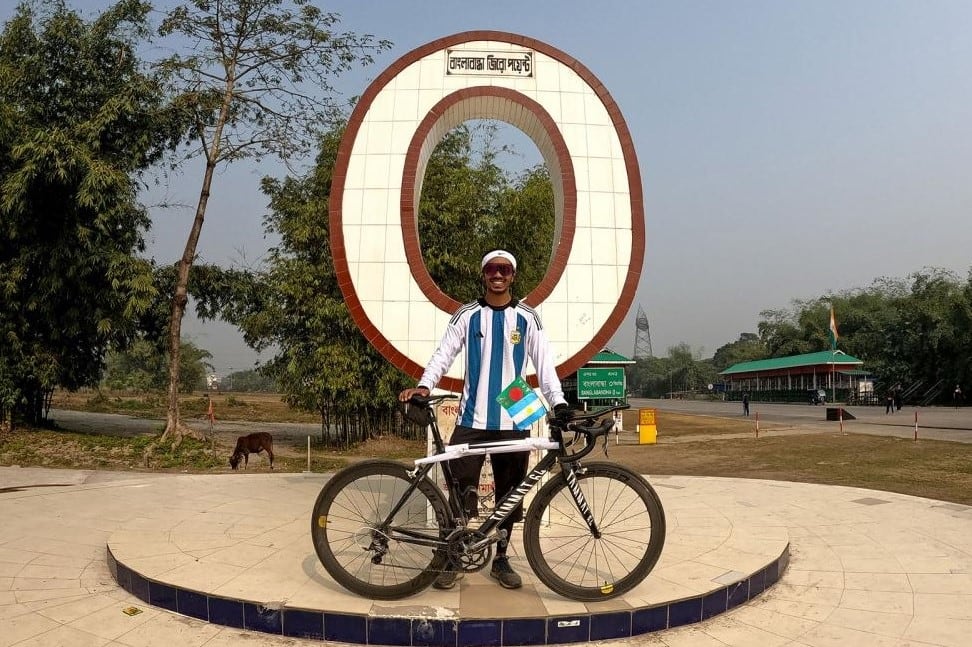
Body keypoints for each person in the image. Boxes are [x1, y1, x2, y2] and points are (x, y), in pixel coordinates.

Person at [398, 250, 568, 591]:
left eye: (504, 269)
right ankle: (452, 557)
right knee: (460, 492)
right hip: (472, 414)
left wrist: (559, 402)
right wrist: (425, 386)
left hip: (516, 410)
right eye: (492, 269)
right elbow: (443, 354)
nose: (498, 275)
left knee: (511, 495)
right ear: (484, 274)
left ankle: (501, 559)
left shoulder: (527, 317)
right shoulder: (468, 315)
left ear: (513, 275)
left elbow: (544, 364)